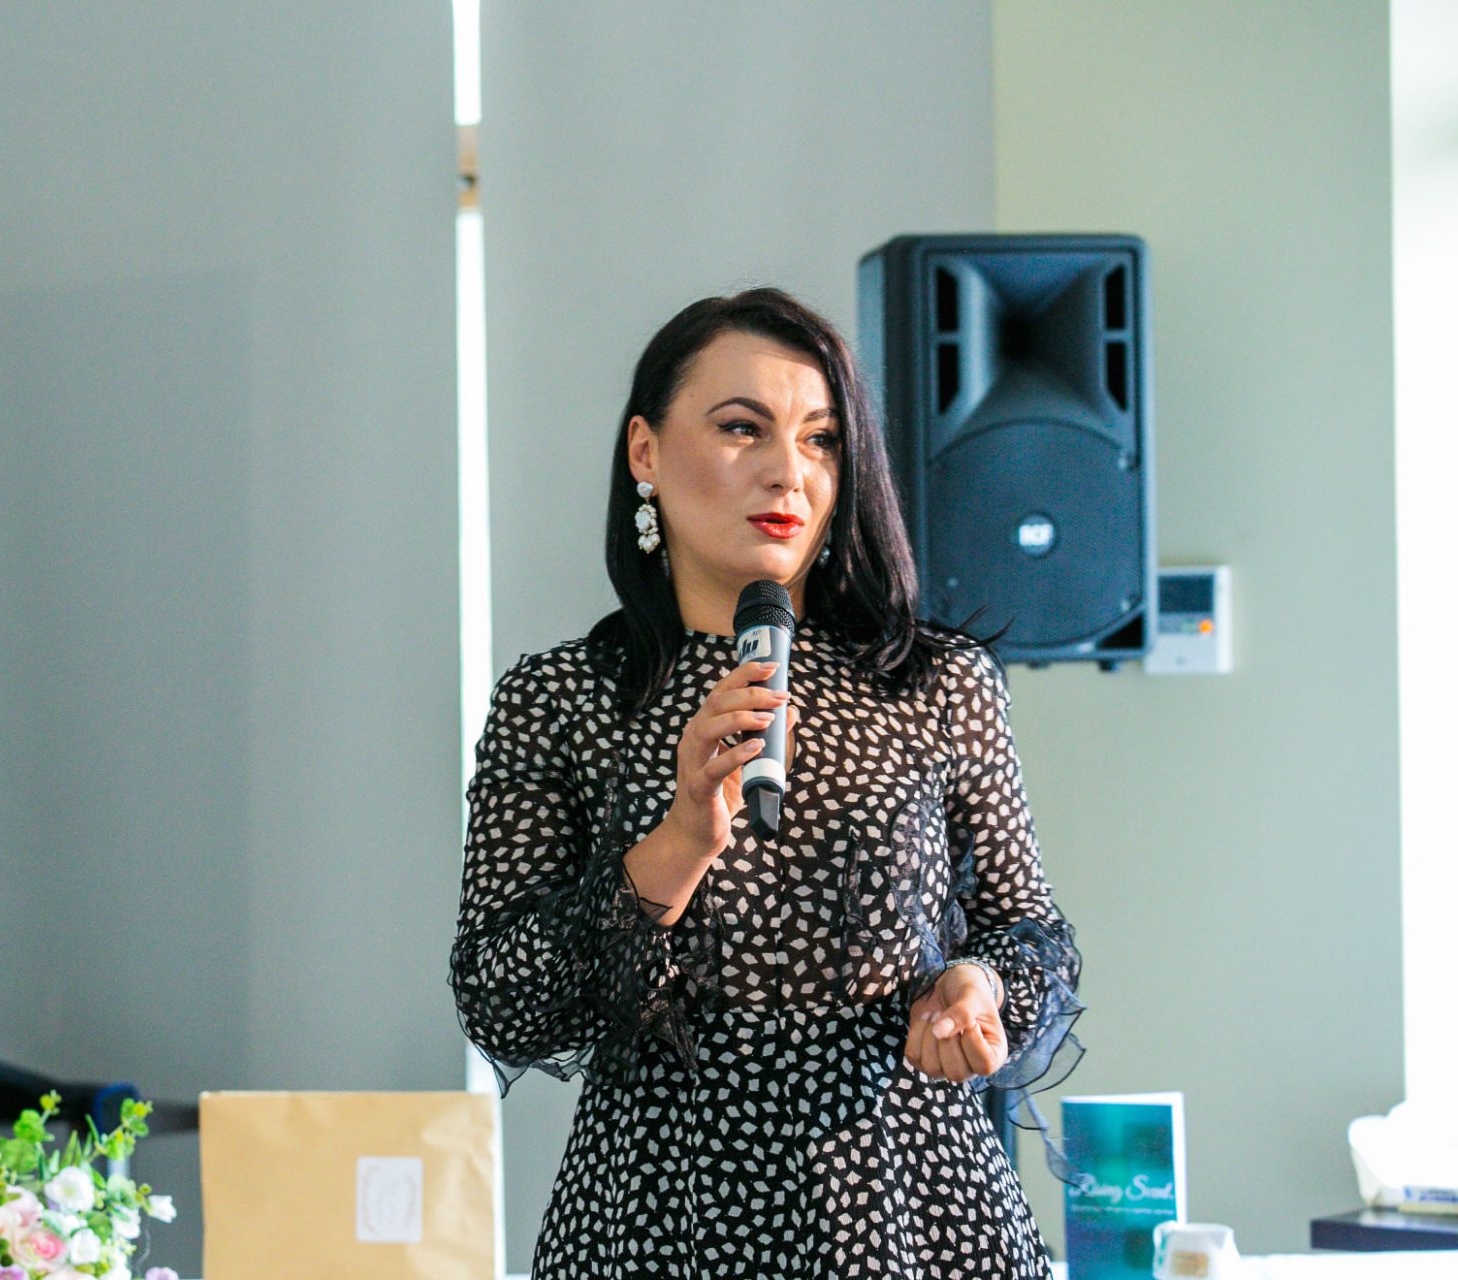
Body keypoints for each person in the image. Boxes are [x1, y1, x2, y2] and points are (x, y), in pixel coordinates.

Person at [449, 287, 1086, 1277]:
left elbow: (1034, 935)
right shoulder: (562, 699)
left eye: (821, 439)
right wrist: (675, 845)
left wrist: (980, 986)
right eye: (742, 428)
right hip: (660, 1228)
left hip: (915, 1219)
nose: (789, 470)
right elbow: (503, 1000)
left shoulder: (937, 683)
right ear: (645, 452)